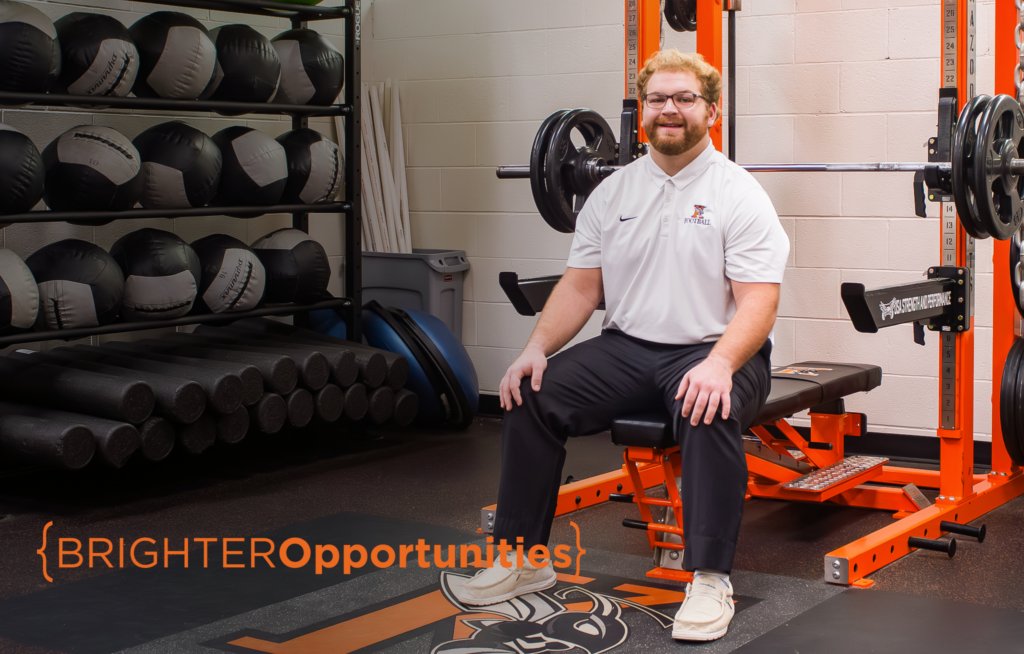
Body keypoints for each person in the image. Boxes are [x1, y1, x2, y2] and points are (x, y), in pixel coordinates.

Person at [453, 48, 790, 642]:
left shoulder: (739, 193)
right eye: (658, 99)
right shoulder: (612, 193)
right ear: (642, 113)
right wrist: (536, 347)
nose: (670, 110)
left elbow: (759, 301)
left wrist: (718, 364)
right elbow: (581, 288)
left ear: (710, 111)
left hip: (716, 348)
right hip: (629, 347)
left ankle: (710, 578)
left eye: (685, 99)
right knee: (531, 392)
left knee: (706, 404)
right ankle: (521, 559)